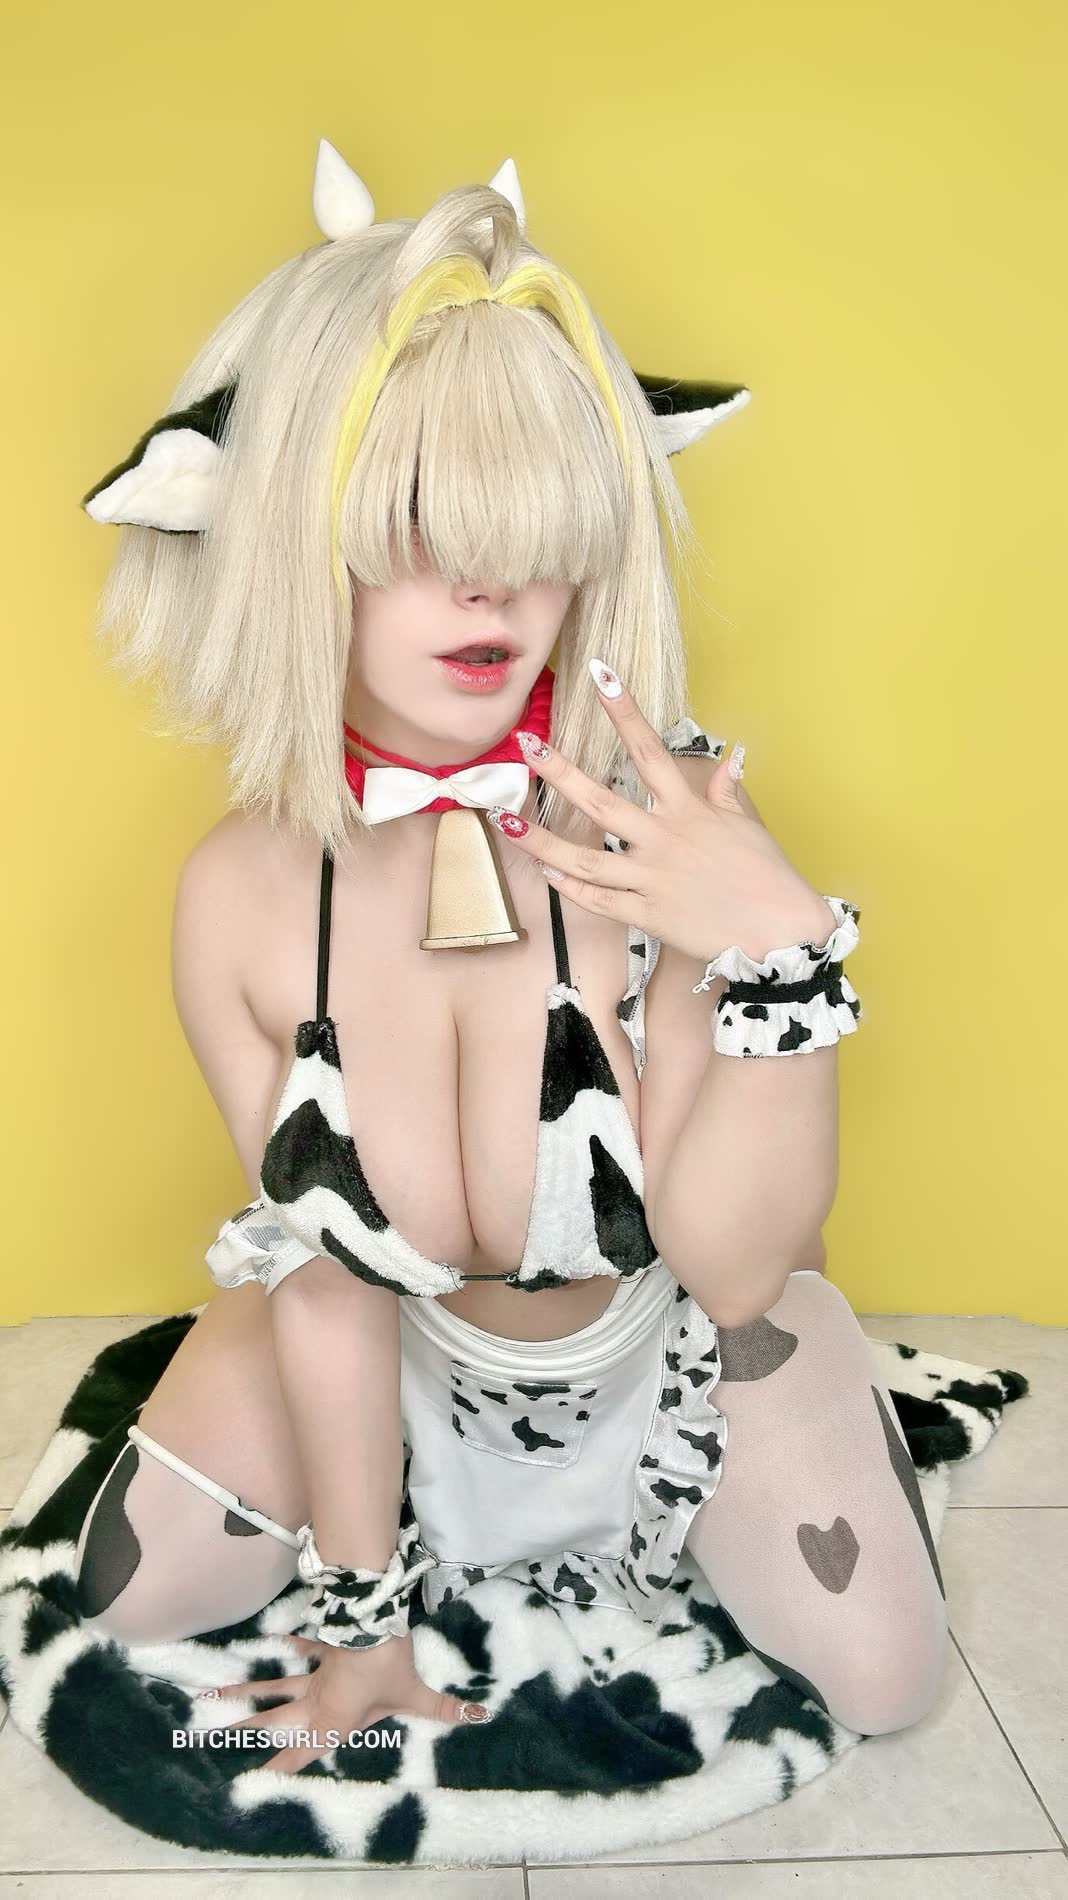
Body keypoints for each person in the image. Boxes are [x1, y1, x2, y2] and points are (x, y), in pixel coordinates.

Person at [72, 140, 948, 1776]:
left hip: (672, 1359)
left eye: (533, 531)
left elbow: (737, 1272)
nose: (490, 589)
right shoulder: (238, 898)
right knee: (126, 1602)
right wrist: (363, 1621)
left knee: (889, 1676)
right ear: (286, 543)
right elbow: (329, 1281)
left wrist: (777, 954)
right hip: (405, 1365)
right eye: (416, 527)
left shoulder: (669, 831)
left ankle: (808, 1438)